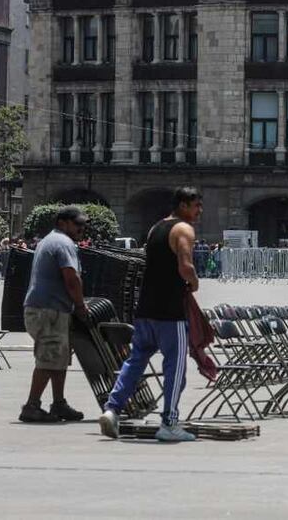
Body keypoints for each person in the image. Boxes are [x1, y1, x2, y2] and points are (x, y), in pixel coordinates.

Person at [98, 186, 203, 442]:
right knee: (175, 367)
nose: (199, 211)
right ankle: (169, 422)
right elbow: (185, 266)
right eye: (196, 205)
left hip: (145, 308)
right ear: (184, 205)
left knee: (135, 362)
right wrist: (195, 283)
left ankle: (112, 409)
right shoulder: (184, 230)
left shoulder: (156, 228)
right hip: (170, 311)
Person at [18, 206, 89, 423]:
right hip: (49, 310)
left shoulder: (51, 240)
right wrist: (79, 305)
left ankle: (59, 404)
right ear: (62, 222)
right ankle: (31, 406)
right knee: (49, 358)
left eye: (83, 225)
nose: (81, 229)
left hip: (46, 309)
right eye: (77, 224)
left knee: (58, 358)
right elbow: (71, 278)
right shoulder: (63, 243)